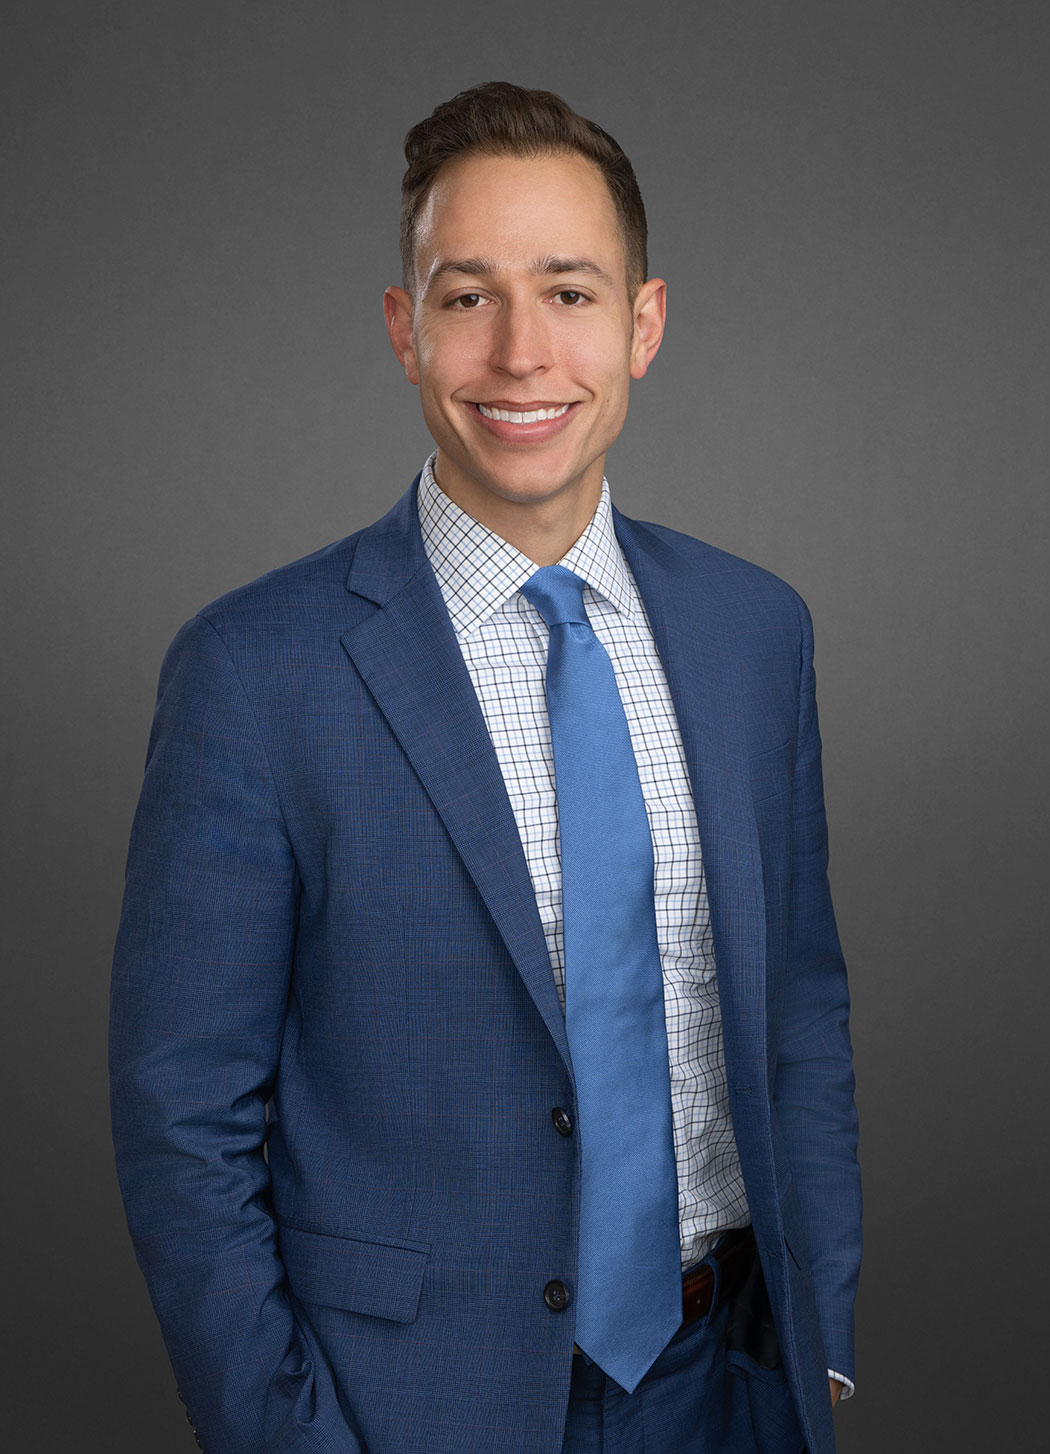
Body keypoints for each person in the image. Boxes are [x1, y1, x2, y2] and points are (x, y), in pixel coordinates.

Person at [110, 81, 861, 1454]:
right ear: (405, 329)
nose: (522, 353)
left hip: (725, 1382)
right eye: (469, 298)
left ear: (642, 325)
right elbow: (183, 1124)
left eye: (569, 293)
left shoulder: (755, 632)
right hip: (404, 1407)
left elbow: (799, 1013)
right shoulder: (254, 669)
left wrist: (821, 1353)